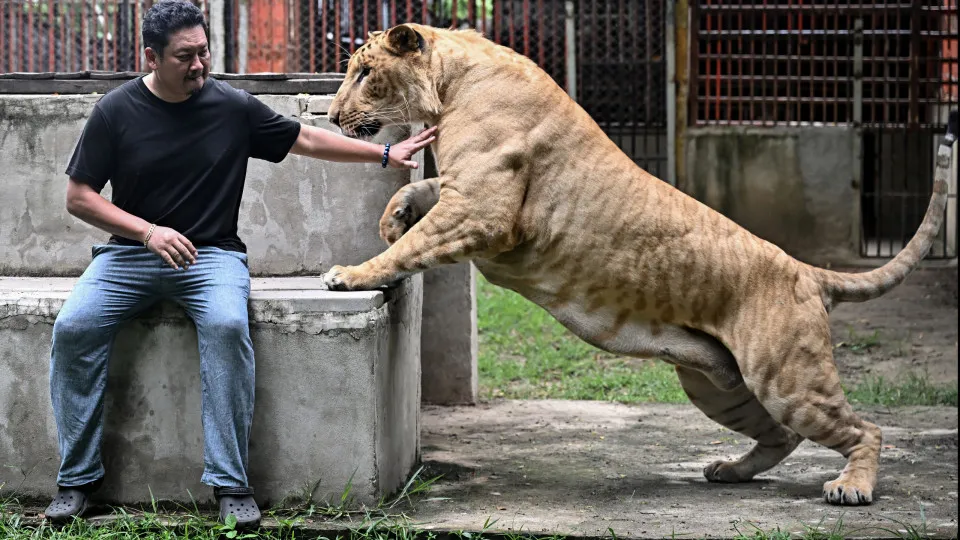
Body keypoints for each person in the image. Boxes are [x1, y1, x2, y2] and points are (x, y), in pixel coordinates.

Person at [42, 0, 436, 529]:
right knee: (73, 327)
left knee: (227, 326)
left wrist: (385, 155)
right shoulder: (116, 111)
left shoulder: (231, 105)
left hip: (213, 258)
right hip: (129, 255)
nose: (199, 65)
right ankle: (77, 480)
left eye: (204, 51)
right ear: (152, 57)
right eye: (185, 56)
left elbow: (305, 139)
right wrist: (149, 232)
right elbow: (79, 197)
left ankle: (230, 484)